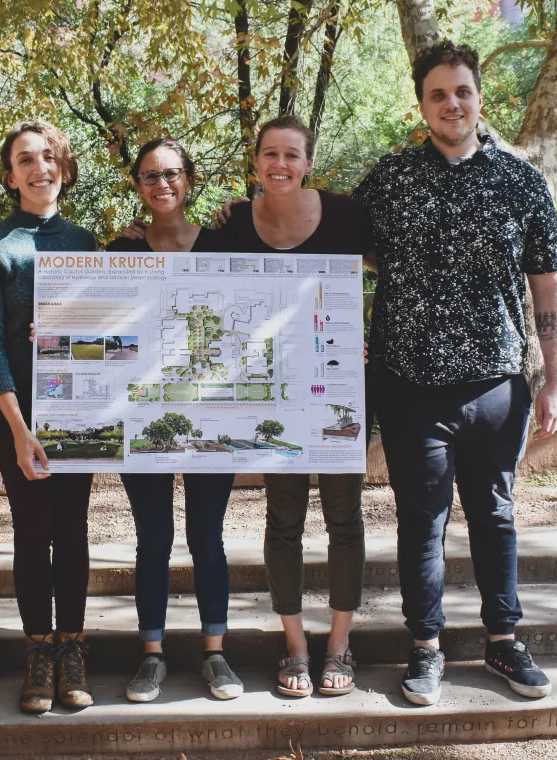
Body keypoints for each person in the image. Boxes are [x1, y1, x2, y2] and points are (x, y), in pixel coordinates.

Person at [350, 40, 557, 706]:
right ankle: (425, 650)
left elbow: (550, 289)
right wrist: (230, 223)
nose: (452, 104)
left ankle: (503, 642)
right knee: (422, 520)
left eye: (462, 92)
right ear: (422, 105)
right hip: (410, 386)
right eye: (438, 94)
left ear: (479, 99)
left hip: (497, 387)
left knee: (495, 515)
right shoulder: (390, 181)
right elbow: (324, 244)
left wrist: (556, 381)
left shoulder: (520, 180)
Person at [215, 116, 372, 698]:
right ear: (255, 162)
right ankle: (296, 648)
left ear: (308, 162)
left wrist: (364, 335)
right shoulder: (231, 223)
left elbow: (397, 272)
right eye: (269, 155)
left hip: (337, 393)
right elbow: (175, 264)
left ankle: (339, 645)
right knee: (283, 521)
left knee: (343, 516)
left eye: (291, 155)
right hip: (271, 399)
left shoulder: (348, 216)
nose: (279, 165)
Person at [107, 139, 243, 703]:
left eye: (172, 174)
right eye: (149, 175)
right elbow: (97, 323)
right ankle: (152, 657)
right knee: (152, 539)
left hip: (214, 419)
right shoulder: (119, 249)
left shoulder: (224, 244)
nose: (161, 183)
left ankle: (216, 655)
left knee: (207, 538)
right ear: (137, 185)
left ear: (189, 180)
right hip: (143, 420)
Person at [0, 121, 97, 713]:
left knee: (72, 529)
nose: (38, 168)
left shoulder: (86, 240)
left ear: (64, 167)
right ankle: (38, 651)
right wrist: (20, 430)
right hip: (14, 411)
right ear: (10, 174)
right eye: (25, 160)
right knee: (32, 530)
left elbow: (109, 328)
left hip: (80, 406)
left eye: (48, 157)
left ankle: (72, 647)